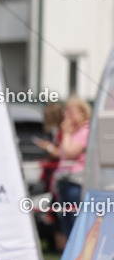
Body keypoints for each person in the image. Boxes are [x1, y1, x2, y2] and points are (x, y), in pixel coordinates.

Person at [34, 97, 91, 251]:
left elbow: (69, 153)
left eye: (69, 112)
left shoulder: (85, 130)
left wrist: (65, 134)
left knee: (74, 223)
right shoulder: (76, 131)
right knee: (66, 222)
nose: (66, 115)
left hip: (75, 183)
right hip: (65, 183)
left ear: (81, 112)